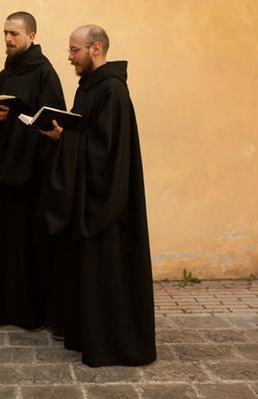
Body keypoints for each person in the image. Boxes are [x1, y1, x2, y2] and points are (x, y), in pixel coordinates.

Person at [40, 25, 156, 367]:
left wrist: (65, 138)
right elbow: (87, 136)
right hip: (88, 196)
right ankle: (87, 333)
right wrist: (65, 135)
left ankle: (112, 344)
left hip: (108, 205)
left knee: (107, 272)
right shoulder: (90, 87)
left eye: (75, 50)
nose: (69, 57)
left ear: (96, 48)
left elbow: (104, 152)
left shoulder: (112, 91)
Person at [0, 11, 66, 330]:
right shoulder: (5, 73)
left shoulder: (45, 74)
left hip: (30, 178)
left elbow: (50, 125)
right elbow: (2, 114)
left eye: (15, 33)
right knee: (3, 239)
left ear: (31, 37)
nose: (9, 39)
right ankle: (1, 303)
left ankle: (29, 311)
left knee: (28, 243)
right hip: (4, 175)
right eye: (5, 33)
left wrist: (9, 119)